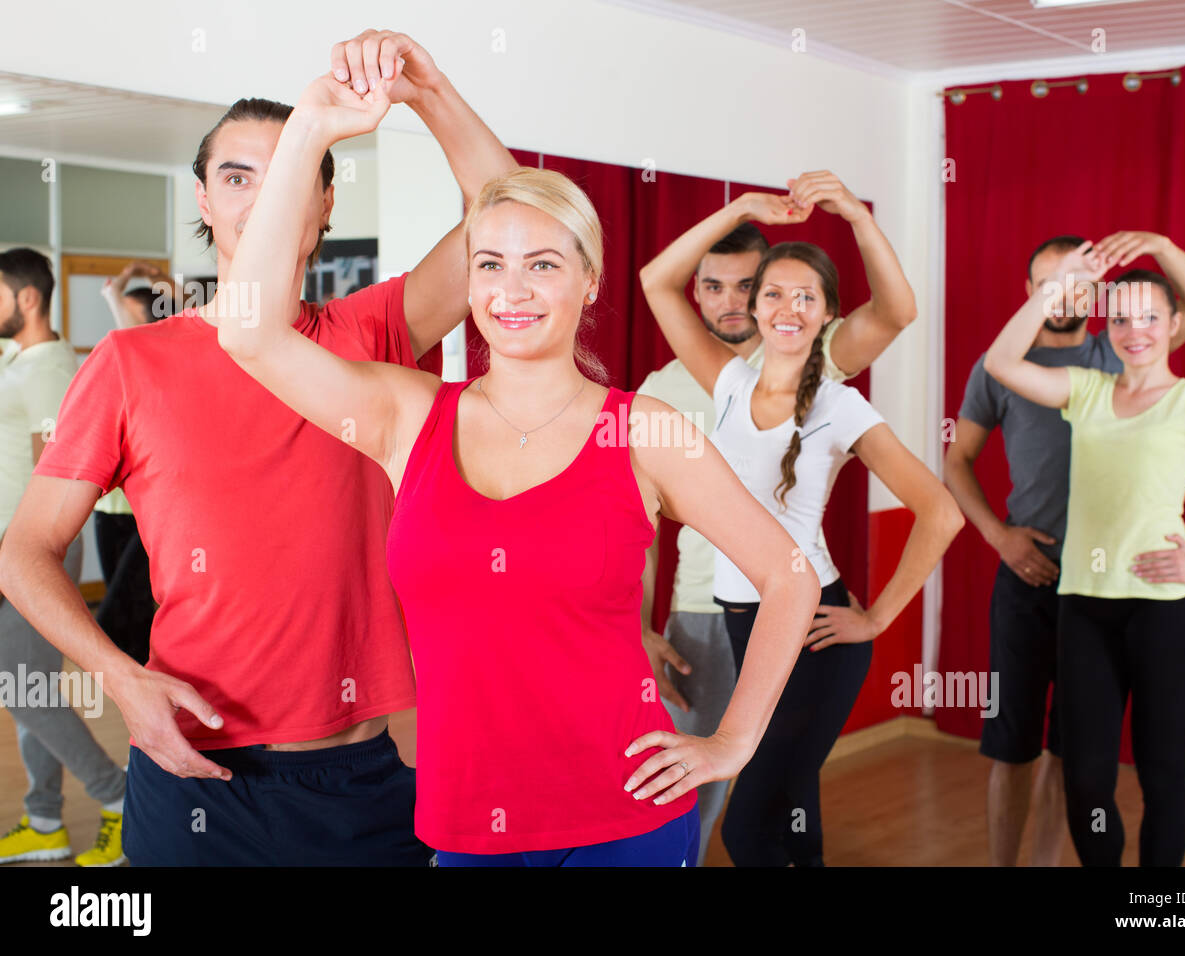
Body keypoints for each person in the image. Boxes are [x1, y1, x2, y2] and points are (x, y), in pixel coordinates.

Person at [213, 69, 824, 866]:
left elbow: (790, 575)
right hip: (466, 820)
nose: (512, 290)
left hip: (629, 816)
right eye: (490, 264)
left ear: (589, 280)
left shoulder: (643, 431)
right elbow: (248, 333)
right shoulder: (409, 415)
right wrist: (311, 128)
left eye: (542, 264)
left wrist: (731, 742)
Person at [0, 29, 517, 866]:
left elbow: (508, 215)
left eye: (286, 173)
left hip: (363, 779)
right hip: (194, 772)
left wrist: (429, 89)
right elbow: (24, 550)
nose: (258, 196)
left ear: (325, 204)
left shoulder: (375, 327)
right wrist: (118, 676)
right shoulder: (130, 363)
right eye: (236, 176)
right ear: (204, 201)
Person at [645, 191, 964, 866]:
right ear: (754, 305)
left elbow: (942, 511)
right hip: (737, 616)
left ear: (825, 313)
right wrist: (738, 210)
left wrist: (875, 619)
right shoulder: (728, 382)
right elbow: (655, 281)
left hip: (812, 627)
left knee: (751, 828)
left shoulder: (838, 403)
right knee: (787, 818)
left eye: (807, 298)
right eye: (774, 295)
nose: (788, 309)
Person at [982, 242, 1185, 866]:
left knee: (1161, 775)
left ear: (1174, 325)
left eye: (1150, 317)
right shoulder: (1085, 390)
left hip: (1168, 612)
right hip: (1084, 609)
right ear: (1106, 325)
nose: (1136, 331)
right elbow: (1000, 361)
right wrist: (1061, 285)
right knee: (1087, 779)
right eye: (1121, 318)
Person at [945, 231, 1185, 865]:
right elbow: (956, 459)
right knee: (1011, 743)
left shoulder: (1124, 352)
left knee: (1072, 752)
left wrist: (1158, 242)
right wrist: (999, 536)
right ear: (1031, 292)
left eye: (1077, 282)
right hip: (1029, 573)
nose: (1065, 294)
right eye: (1051, 282)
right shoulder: (1003, 366)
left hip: (1105, 587)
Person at [0, 248, 128, 866]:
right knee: (32, 687)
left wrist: (19, 557)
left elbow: (55, 476)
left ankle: (118, 798)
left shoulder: (48, 370)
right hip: (11, 549)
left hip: (30, 548)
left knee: (21, 689)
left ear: (26, 299)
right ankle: (45, 819)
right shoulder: (18, 360)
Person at [90, 262, 179, 666]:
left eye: (127, 310)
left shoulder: (164, 364)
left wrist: (160, 280)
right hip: (109, 508)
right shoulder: (123, 361)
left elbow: (178, 311)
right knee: (122, 605)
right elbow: (113, 293)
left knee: (132, 615)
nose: (117, 318)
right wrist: (141, 273)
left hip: (146, 512)